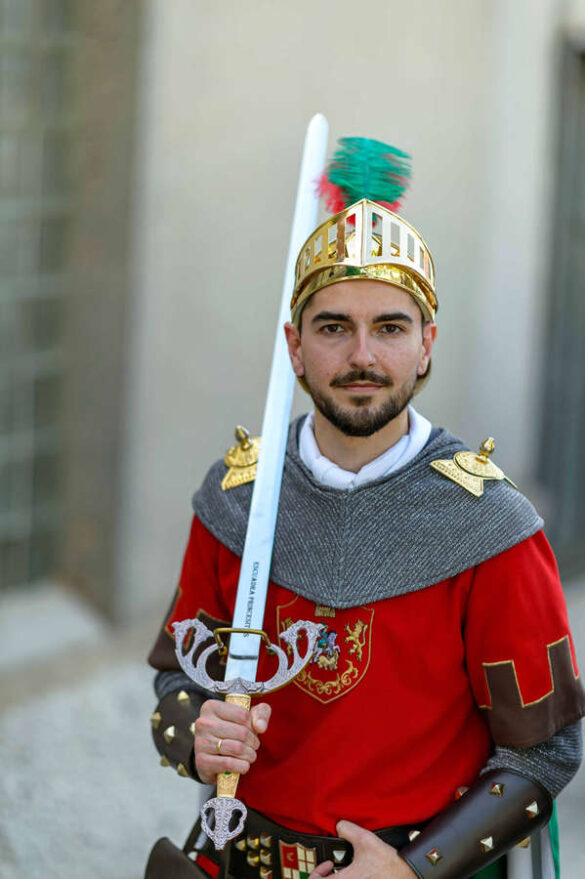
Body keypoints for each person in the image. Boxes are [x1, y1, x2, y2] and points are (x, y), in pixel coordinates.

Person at [145, 142, 585, 879]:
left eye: (389, 327)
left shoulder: (491, 528)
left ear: (426, 345)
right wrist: (198, 733)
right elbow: (176, 680)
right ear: (294, 346)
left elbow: (545, 750)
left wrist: (412, 869)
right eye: (332, 327)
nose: (361, 356)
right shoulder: (236, 497)